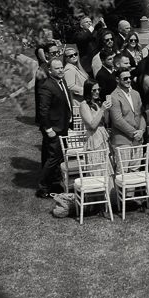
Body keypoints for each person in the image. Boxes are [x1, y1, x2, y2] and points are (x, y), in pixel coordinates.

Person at [35, 58, 74, 196]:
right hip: (54, 129)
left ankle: (55, 183)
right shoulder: (46, 86)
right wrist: (48, 129)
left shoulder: (61, 82)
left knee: (58, 157)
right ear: (50, 70)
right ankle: (43, 188)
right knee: (54, 158)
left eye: (61, 67)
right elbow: (43, 110)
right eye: (57, 68)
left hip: (63, 126)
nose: (61, 70)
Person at [108, 67, 146, 150]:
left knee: (139, 163)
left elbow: (141, 114)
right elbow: (117, 120)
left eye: (130, 78)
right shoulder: (113, 96)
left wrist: (141, 131)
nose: (129, 80)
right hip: (122, 141)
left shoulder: (136, 94)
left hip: (138, 139)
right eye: (125, 78)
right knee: (124, 163)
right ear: (117, 79)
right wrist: (134, 133)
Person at [78, 80, 111, 153]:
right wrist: (102, 110)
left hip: (103, 135)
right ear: (88, 90)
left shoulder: (97, 103)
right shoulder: (84, 105)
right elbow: (92, 125)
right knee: (98, 162)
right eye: (94, 90)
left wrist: (107, 110)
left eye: (98, 89)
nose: (97, 92)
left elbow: (106, 122)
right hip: (94, 137)